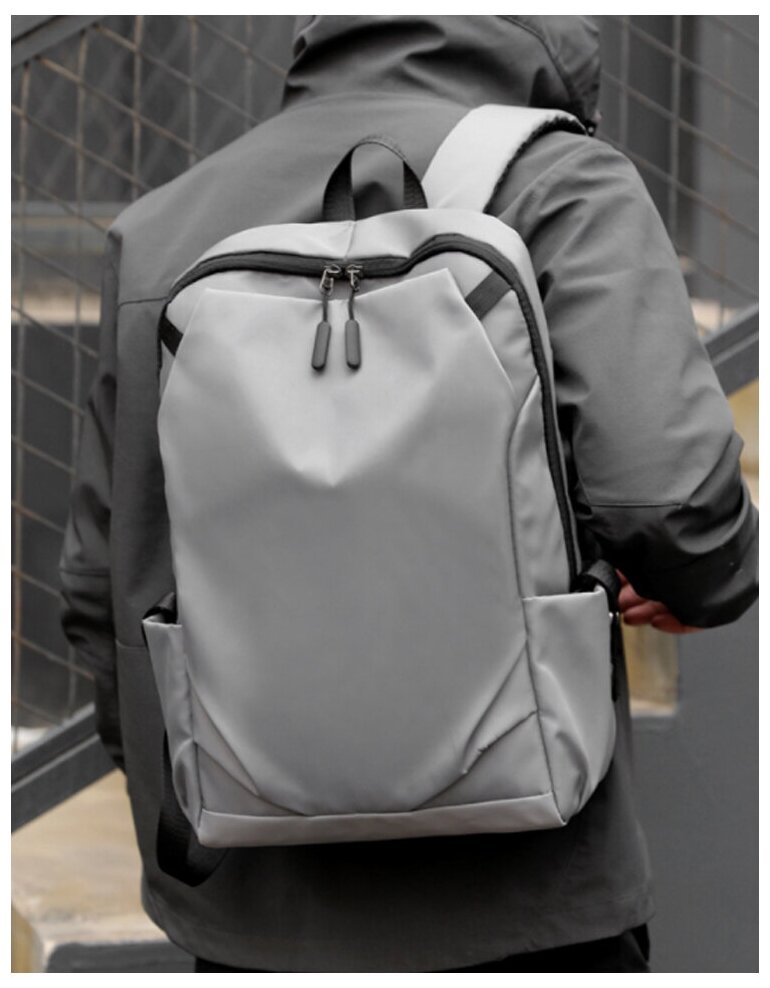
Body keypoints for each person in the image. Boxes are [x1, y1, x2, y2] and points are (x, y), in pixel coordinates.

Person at [59, 16, 758, 973]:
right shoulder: (562, 185)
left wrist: (196, 780)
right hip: (525, 898)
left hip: (258, 908)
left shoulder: (162, 224)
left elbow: (101, 585)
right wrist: (702, 578)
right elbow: (671, 502)